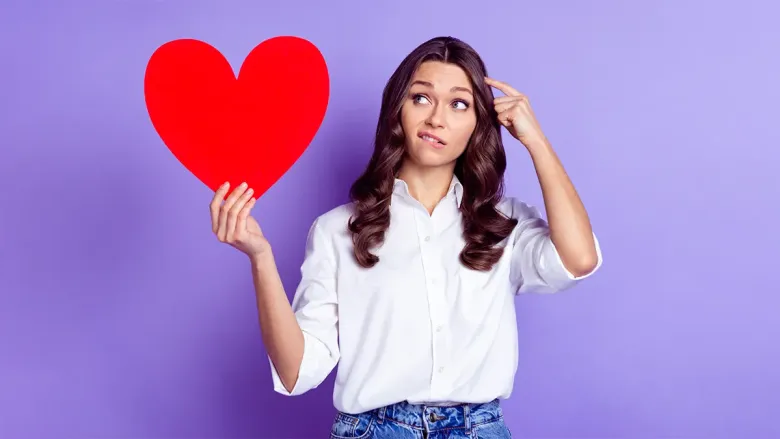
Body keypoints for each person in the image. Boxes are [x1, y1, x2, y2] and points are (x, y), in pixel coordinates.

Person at [209, 36, 602, 439]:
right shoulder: (336, 231)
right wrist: (260, 257)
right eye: (421, 98)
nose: (437, 119)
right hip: (373, 430)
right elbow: (296, 372)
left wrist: (535, 141)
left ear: (478, 124)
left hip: (478, 429)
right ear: (397, 109)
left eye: (459, 104)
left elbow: (578, 260)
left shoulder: (502, 224)